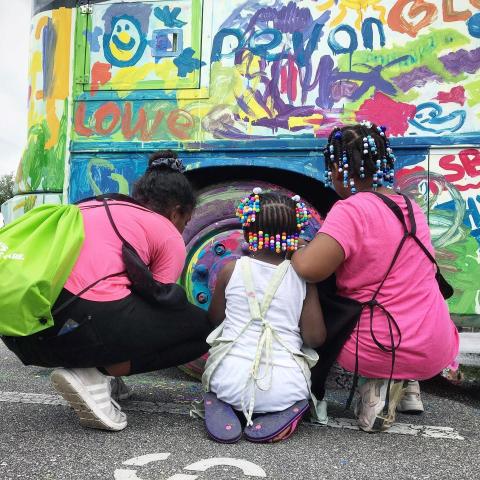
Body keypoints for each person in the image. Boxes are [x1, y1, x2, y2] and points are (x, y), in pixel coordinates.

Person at [2, 151, 212, 432]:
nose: (183, 229)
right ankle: (97, 374)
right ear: (176, 212)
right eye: (185, 221)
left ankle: (101, 371)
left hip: (23, 336)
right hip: (77, 323)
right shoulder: (165, 230)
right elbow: (161, 302)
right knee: (201, 328)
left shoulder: (88, 207)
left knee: (111, 297)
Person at [291, 122, 459, 432]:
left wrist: (296, 250)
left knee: (315, 288)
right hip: (435, 343)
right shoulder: (410, 207)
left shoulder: (351, 209)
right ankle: (409, 384)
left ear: (340, 171)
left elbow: (308, 268)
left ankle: (377, 382)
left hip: (379, 346)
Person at [201, 190, 326, 444]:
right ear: (296, 236)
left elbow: (215, 319)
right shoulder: (302, 279)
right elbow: (315, 338)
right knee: (293, 387)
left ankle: (225, 403)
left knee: (223, 376)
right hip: (286, 388)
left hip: (226, 380)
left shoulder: (230, 270)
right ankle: (284, 410)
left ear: (248, 233)